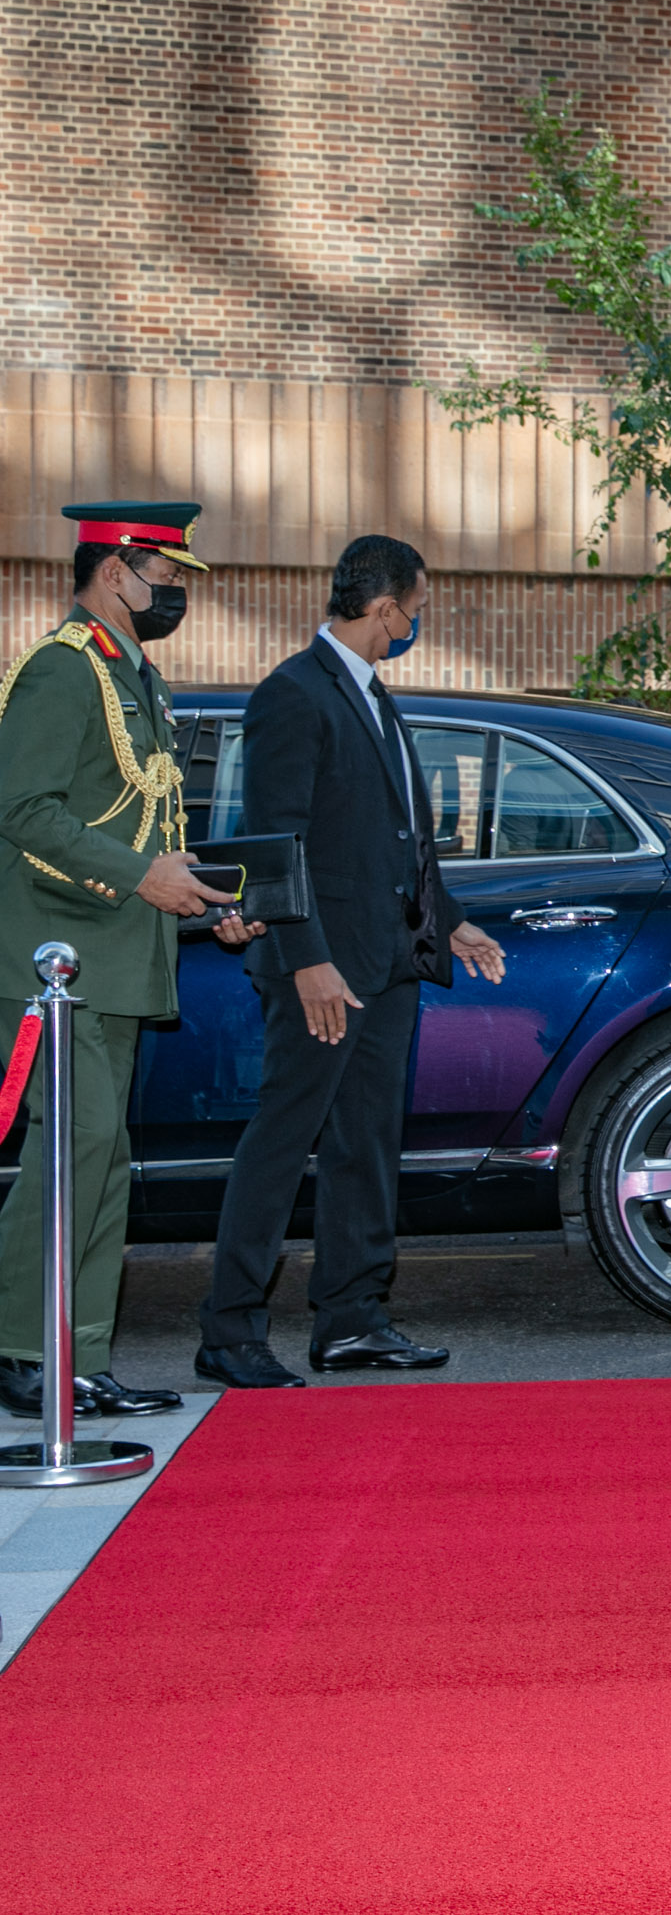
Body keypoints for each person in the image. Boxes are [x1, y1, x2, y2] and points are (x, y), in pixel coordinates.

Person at [195, 536, 507, 1389]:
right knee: (282, 1141)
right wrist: (307, 963)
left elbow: (399, 843)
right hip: (323, 973)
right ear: (383, 609)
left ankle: (352, 1319)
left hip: (386, 967)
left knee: (365, 1147)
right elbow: (277, 843)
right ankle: (229, 1332)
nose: (415, 625)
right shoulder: (294, 694)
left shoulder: (372, 696)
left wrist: (452, 926)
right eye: (414, 612)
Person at [0, 503, 257, 1419]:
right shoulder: (62, 672)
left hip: (115, 956)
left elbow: (145, 820)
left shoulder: (131, 676)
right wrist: (145, 879)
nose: (177, 594)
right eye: (169, 578)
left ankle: (78, 1356)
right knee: (69, 1153)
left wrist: (201, 901)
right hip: (57, 962)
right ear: (116, 573)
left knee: (100, 1161)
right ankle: (25, 1349)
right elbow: (24, 810)